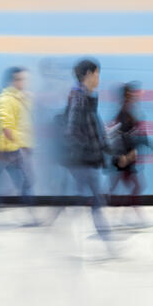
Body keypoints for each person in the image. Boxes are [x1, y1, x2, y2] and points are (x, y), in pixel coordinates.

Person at [63, 59, 115, 250]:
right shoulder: (79, 97)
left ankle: (106, 241)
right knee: (94, 200)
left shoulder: (87, 96)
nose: (99, 78)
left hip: (86, 159)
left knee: (92, 200)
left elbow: (92, 126)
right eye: (97, 73)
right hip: (83, 160)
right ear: (88, 75)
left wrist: (103, 142)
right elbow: (72, 130)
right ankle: (106, 242)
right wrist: (89, 148)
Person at [0, 67, 36, 223]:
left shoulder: (18, 98)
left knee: (21, 182)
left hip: (10, 149)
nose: (24, 82)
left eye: (25, 79)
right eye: (21, 79)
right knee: (22, 182)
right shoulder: (5, 100)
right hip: (3, 150)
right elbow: (6, 127)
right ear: (12, 81)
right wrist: (23, 145)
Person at [108, 82, 153, 226]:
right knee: (136, 186)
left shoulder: (128, 111)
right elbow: (129, 136)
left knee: (122, 186)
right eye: (134, 92)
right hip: (125, 157)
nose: (138, 94)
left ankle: (119, 218)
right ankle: (128, 218)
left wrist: (152, 146)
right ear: (128, 95)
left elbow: (138, 135)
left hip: (126, 157)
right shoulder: (125, 112)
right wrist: (128, 155)